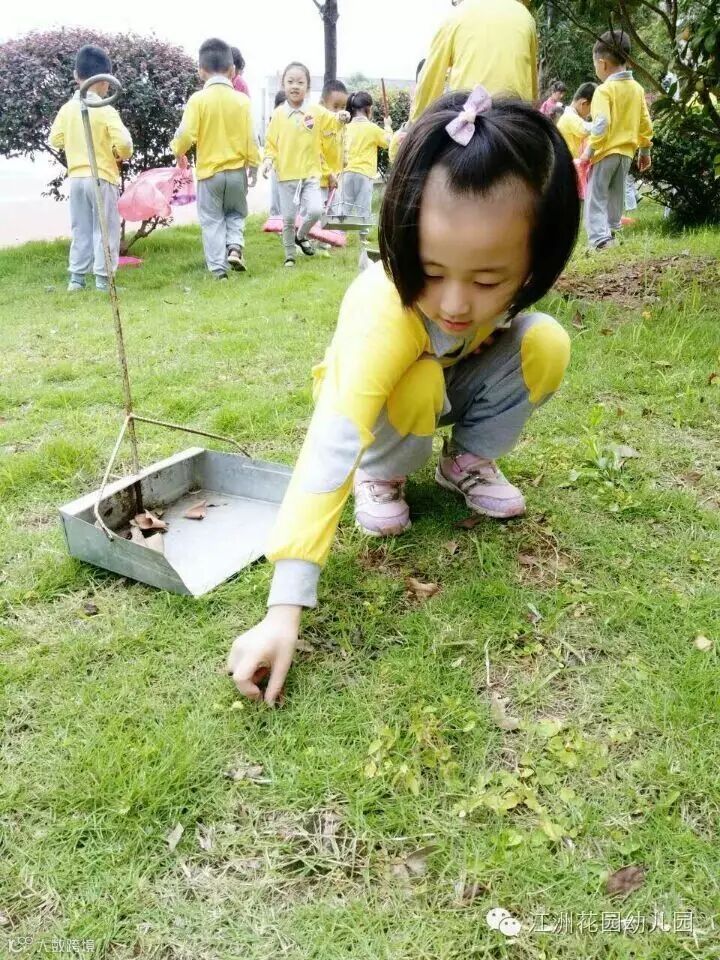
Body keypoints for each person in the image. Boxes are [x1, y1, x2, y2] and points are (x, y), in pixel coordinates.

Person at [227, 87, 580, 704]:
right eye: (433, 271)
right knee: (417, 380)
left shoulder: (510, 285)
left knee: (543, 341)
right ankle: (384, 475)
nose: (455, 303)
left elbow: (492, 322)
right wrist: (284, 608)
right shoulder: (383, 307)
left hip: (453, 380)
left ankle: (464, 463)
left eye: (489, 280)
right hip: (394, 402)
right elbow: (333, 436)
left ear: (534, 261)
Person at [171, 38, 261, 278]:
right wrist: (253, 165)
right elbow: (252, 137)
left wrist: (178, 151)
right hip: (236, 172)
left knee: (212, 220)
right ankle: (235, 247)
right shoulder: (242, 101)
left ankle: (218, 271)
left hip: (209, 174)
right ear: (232, 71)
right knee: (236, 213)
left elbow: (185, 134)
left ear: (201, 71)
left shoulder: (198, 100)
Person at [49, 45, 133, 293]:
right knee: (105, 229)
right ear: (106, 81)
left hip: (77, 177)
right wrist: (119, 154)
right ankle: (103, 280)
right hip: (102, 176)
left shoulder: (67, 109)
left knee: (81, 228)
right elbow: (125, 144)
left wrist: (74, 144)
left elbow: (55, 139)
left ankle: (76, 279)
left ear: (76, 75)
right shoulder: (105, 109)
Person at [262, 62, 347, 267]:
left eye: (300, 82)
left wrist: (341, 117)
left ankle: (301, 236)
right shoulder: (279, 115)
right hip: (286, 175)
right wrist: (268, 160)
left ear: (307, 87)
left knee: (316, 210)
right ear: (283, 85)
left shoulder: (315, 111)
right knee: (289, 219)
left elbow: (332, 120)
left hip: (310, 174)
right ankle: (289, 255)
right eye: (290, 81)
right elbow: (271, 143)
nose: (295, 86)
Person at [581, 30, 653, 251]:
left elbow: (602, 123)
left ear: (602, 64)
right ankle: (612, 230)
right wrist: (645, 151)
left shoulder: (604, 90)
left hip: (605, 152)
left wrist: (589, 151)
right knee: (616, 195)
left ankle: (600, 240)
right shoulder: (637, 89)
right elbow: (645, 122)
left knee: (596, 196)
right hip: (626, 154)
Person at [410, 0, 538, 121]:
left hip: (468, 122)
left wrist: (415, 123)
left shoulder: (456, 16)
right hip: (516, 122)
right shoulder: (525, 18)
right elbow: (531, 82)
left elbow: (430, 82)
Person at [338, 91, 393, 240]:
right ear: (368, 109)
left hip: (346, 172)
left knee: (344, 206)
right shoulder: (372, 128)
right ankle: (363, 239)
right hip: (364, 174)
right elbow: (389, 142)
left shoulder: (346, 127)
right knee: (363, 208)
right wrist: (388, 126)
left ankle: (339, 236)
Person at [318, 79, 349, 207]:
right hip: (319, 182)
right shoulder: (318, 124)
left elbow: (344, 144)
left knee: (335, 213)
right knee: (318, 213)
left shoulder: (341, 125)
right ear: (322, 105)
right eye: (335, 107)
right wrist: (328, 174)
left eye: (343, 107)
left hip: (335, 179)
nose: (340, 111)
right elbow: (317, 152)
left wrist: (345, 159)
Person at [556, 82, 596, 158]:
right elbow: (584, 130)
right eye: (591, 109)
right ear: (584, 103)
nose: (590, 114)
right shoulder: (569, 116)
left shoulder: (570, 116)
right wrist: (603, 123)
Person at [269, 91, 287, 219]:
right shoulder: (275, 118)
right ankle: (275, 221)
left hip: (291, 166)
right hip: (278, 164)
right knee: (276, 198)